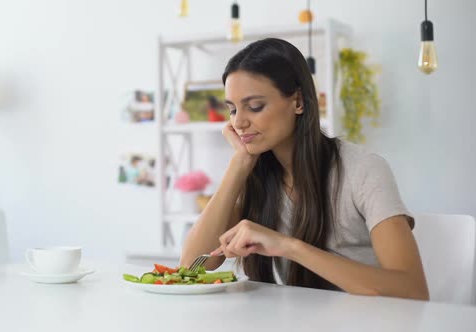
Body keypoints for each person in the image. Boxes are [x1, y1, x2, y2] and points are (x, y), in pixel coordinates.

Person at [180, 38, 429, 300]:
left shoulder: (364, 170)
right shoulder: (255, 173)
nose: (239, 122)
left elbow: (413, 291)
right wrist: (238, 165)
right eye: (232, 109)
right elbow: (190, 268)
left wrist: (288, 246)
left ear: (298, 101)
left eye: (254, 106)